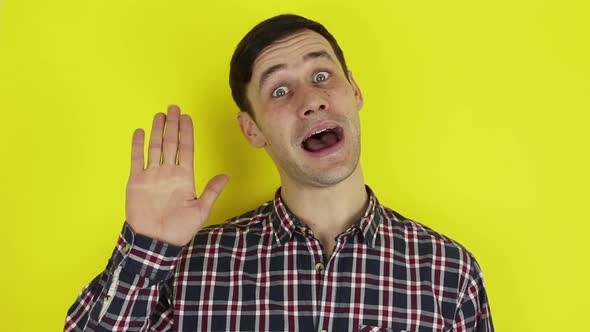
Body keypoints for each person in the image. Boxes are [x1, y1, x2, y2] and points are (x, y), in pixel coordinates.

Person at [64, 14, 494, 332]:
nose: (311, 101)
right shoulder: (190, 269)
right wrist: (147, 247)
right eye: (281, 90)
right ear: (252, 129)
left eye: (322, 75)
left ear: (355, 90)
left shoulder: (449, 273)